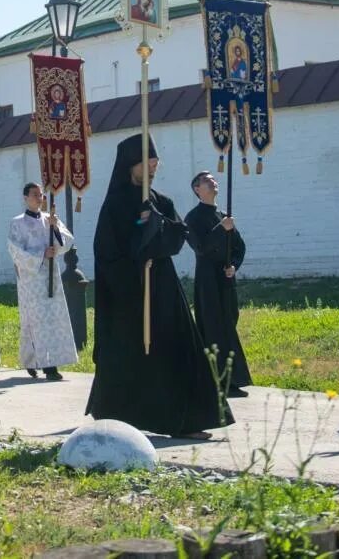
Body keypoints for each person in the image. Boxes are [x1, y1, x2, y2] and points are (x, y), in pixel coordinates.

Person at [87, 134, 233, 438]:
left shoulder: (161, 201)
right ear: (131, 164)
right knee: (126, 353)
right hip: (129, 292)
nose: (153, 167)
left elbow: (178, 238)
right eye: (147, 162)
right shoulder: (115, 203)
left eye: (155, 162)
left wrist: (157, 225)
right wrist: (140, 234)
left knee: (178, 347)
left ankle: (186, 420)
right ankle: (116, 421)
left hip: (162, 288)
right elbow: (105, 250)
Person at [185, 171, 252, 396]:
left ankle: (233, 379)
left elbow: (239, 247)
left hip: (225, 278)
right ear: (197, 189)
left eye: (213, 179)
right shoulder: (192, 218)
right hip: (207, 280)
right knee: (213, 326)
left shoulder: (224, 216)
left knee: (228, 322)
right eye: (207, 180)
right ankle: (215, 380)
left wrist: (233, 265)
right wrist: (221, 228)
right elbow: (201, 247)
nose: (213, 182)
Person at [7, 184, 78, 380]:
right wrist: (40, 255)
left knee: (52, 321)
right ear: (25, 197)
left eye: (41, 195)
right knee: (34, 321)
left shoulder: (50, 219)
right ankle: (32, 361)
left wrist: (55, 229)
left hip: (51, 277)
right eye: (35, 195)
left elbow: (67, 241)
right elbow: (15, 250)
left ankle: (50, 364)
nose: (39, 198)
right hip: (31, 279)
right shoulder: (17, 223)